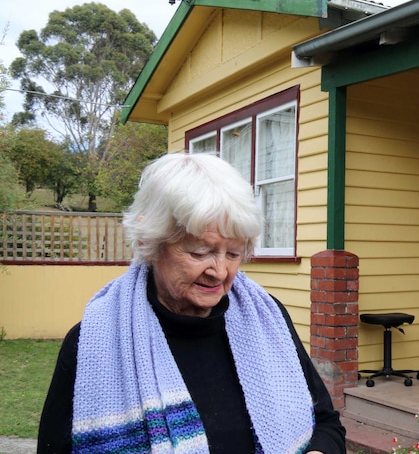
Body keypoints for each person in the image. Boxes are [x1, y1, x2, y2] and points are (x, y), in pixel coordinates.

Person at [38, 153, 346, 453]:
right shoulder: (92, 343)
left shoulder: (269, 317)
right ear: (150, 243)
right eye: (200, 252)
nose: (220, 271)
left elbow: (326, 423)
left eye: (234, 253)